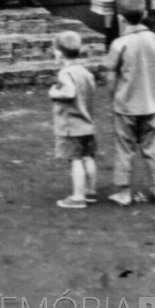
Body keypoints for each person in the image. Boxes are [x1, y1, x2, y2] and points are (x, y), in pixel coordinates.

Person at [105, 0, 155, 206]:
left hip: (125, 106)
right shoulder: (154, 38)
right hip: (151, 104)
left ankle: (124, 193)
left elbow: (111, 76)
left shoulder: (118, 44)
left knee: (124, 149)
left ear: (120, 19)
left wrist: (112, 95)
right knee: (153, 148)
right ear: (144, 15)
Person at [49, 31, 97, 209]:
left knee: (75, 160)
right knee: (88, 157)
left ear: (59, 53)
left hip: (71, 127)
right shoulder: (85, 72)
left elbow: (69, 92)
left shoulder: (65, 73)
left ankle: (78, 197)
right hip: (87, 125)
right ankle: (91, 191)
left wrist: (54, 93)